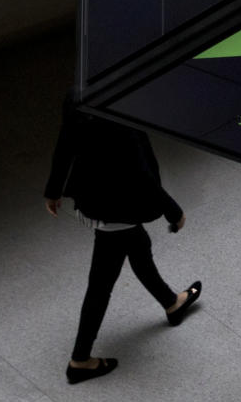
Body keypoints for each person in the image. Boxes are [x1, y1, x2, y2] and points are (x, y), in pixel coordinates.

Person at [44, 91, 202, 384]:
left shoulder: (78, 98)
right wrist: (173, 211)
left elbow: (65, 144)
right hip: (118, 207)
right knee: (101, 285)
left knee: (140, 249)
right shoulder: (119, 116)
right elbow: (140, 174)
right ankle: (80, 360)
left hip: (94, 199)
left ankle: (172, 303)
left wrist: (53, 190)